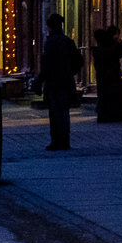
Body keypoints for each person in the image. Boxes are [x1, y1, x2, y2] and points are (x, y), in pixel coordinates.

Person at [35, 15, 84, 151]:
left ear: (50, 27)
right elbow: (79, 61)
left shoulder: (50, 43)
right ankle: (64, 140)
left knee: (55, 113)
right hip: (66, 82)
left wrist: (39, 81)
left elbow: (46, 66)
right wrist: (70, 72)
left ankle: (57, 141)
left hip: (53, 83)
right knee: (64, 112)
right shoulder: (68, 41)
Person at [92, 27, 122, 123]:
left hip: (102, 75)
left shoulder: (98, 49)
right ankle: (111, 115)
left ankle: (103, 115)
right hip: (112, 74)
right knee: (110, 94)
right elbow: (120, 53)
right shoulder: (112, 47)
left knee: (103, 95)